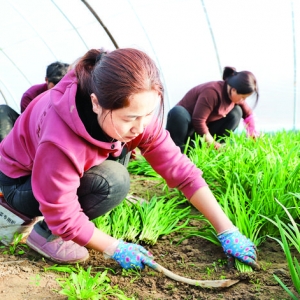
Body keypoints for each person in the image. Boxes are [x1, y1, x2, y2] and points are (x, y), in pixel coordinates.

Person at [0, 48, 259, 270]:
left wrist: (227, 230)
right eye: (130, 118)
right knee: (112, 182)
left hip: (56, 170)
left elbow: (181, 170)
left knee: (121, 152)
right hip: (21, 182)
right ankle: (45, 233)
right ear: (96, 103)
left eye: (148, 113)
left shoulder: (133, 112)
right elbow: (63, 213)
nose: (141, 126)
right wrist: (114, 247)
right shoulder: (60, 138)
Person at [166, 67, 260, 152]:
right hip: (186, 129)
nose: (243, 100)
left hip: (200, 134)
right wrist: (212, 144)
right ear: (234, 90)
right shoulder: (212, 92)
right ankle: (178, 152)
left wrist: (253, 132)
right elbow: (198, 121)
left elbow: (248, 114)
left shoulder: (234, 96)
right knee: (178, 113)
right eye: (243, 97)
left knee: (237, 112)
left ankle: (216, 146)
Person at [0, 61, 69, 142]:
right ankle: (4, 149)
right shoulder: (30, 95)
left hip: (59, 135)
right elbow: (28, 126)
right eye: (54, 84)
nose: (58, 87)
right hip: (34, 133)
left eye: (61, 84)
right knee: (3, 110)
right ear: (46, 80)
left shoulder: (69, 95)